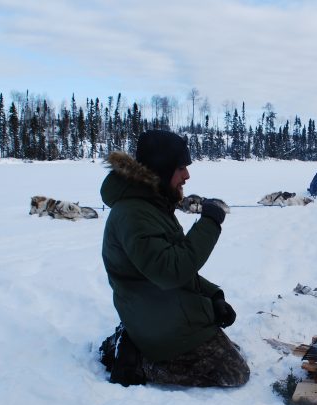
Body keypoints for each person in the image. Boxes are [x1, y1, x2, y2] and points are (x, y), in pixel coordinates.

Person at [98, 130, 250, 387]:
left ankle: (135, 340)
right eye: (181, 168)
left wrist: (213, 295)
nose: (187, 176)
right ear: (160, 170)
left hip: (161, 306)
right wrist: (209, 224)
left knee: (231, 352)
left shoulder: (152, 204)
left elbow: (176, 261)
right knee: (234, 373)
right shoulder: (134, 214)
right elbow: (170, 271)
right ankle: (135, 360)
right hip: (153, 317)